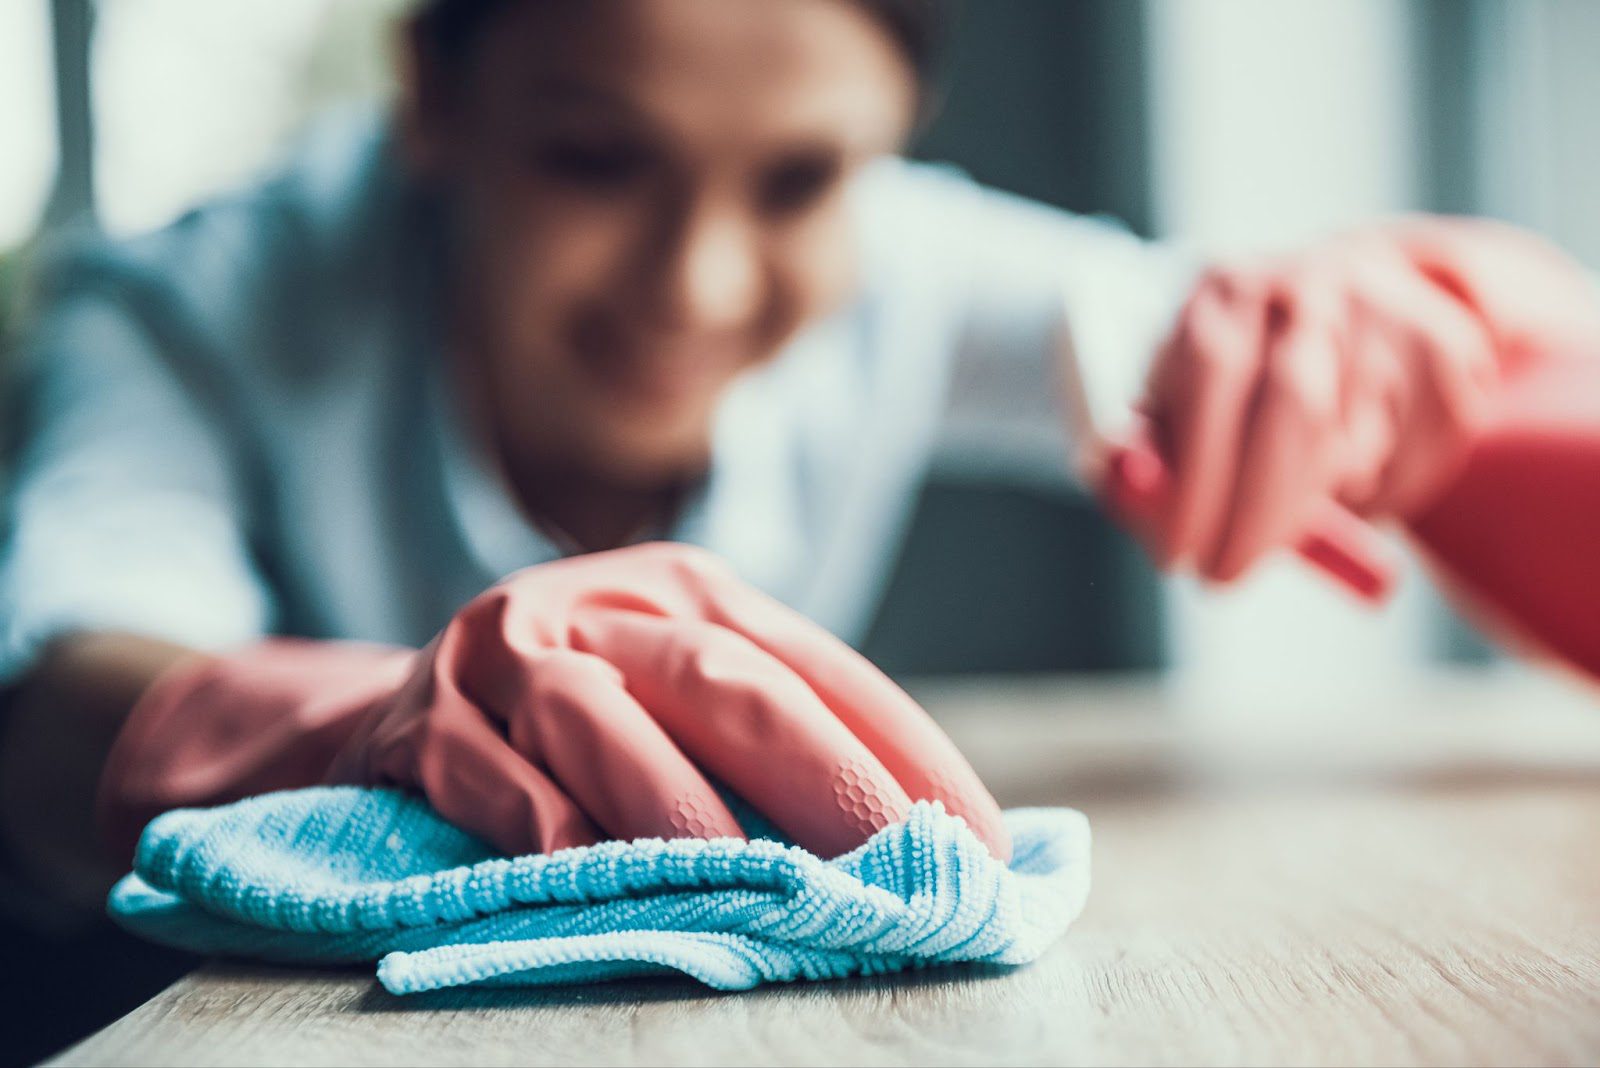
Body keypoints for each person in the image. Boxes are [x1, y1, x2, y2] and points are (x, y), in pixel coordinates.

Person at [3, 0, 1599, 908]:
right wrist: (387, 721)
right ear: (434, 97)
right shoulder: (196, 307)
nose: (697, 280)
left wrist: (1418, 331)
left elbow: (1363, 377)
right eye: (592, 160)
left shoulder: (905, 263)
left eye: (800, 182)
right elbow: (49, 704)